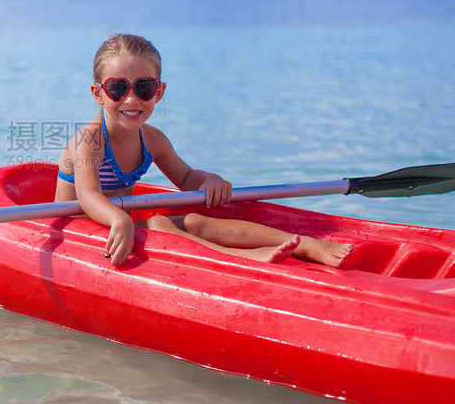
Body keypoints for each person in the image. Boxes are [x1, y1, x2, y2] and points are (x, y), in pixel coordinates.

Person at [54, 33, 352, 268]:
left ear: (158, 92)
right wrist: (120, 220)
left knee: (195, 220)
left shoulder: (153, 140)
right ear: (97, 94)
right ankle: (242, 258)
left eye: (143, 88)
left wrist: (210, 180)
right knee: (158, 222)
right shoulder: (89, 139)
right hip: (78, 234)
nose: (131, 100)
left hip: (118, 227)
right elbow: (87, 195)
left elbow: (186, 179)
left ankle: (305, 244)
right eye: (118, 88)